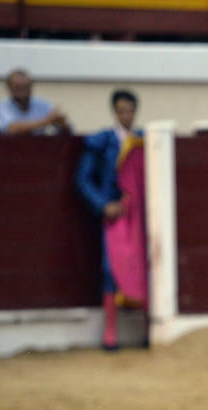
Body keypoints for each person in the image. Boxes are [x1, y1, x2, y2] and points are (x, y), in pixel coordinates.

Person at [75, 89, 147, 350]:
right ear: (114, 112)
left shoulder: (144, 140)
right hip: (114, 216)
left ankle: (148, 329)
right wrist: (103, 205)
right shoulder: (102, 141)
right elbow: (83, 179)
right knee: (111, 268)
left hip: (139, 216)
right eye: (122, 110)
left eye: (130, 110)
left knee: (144, 266)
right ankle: (110, 332)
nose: (126, 115)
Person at [0, 68, 70, 135]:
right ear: (9, 88)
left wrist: (62, 123)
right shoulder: (1, 106)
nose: (23, 92)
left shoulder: (42, 104)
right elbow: (11, 129)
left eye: (26, 87)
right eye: (18, 88)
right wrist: (47, 121)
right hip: (9, 150)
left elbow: (68, 131)